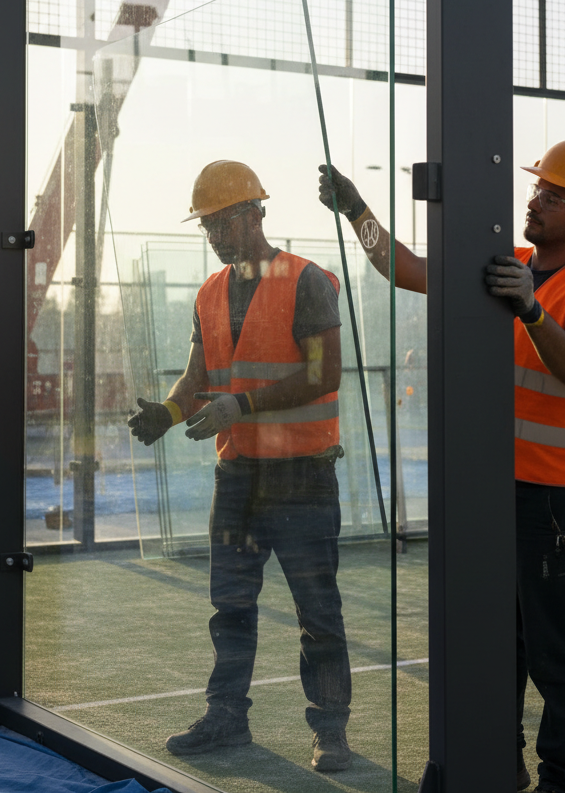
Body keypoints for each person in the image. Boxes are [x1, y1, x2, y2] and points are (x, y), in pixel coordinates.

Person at [318, 138, 565, 793]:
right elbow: (403, 268)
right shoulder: (511, 265)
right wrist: (356, 211)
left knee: (556, 654)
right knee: (499, 645)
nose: (537, 199)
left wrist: (531, 307)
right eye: (539, 187)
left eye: (555, 195)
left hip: (554, 501)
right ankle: (503, 763)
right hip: (496, 489)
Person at [127, 160, 354, 773]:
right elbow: (200, 376)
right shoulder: (209, 292)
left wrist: (242, 405)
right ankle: (226, 718)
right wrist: (169, 412)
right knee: (230, 607)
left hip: (303, 477)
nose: (215, 234)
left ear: (255, 212)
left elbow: (323, 374)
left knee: (319, 613)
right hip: (239, 479)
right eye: (207, 225)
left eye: (223, 220)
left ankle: (330, 733)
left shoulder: (306, 281)